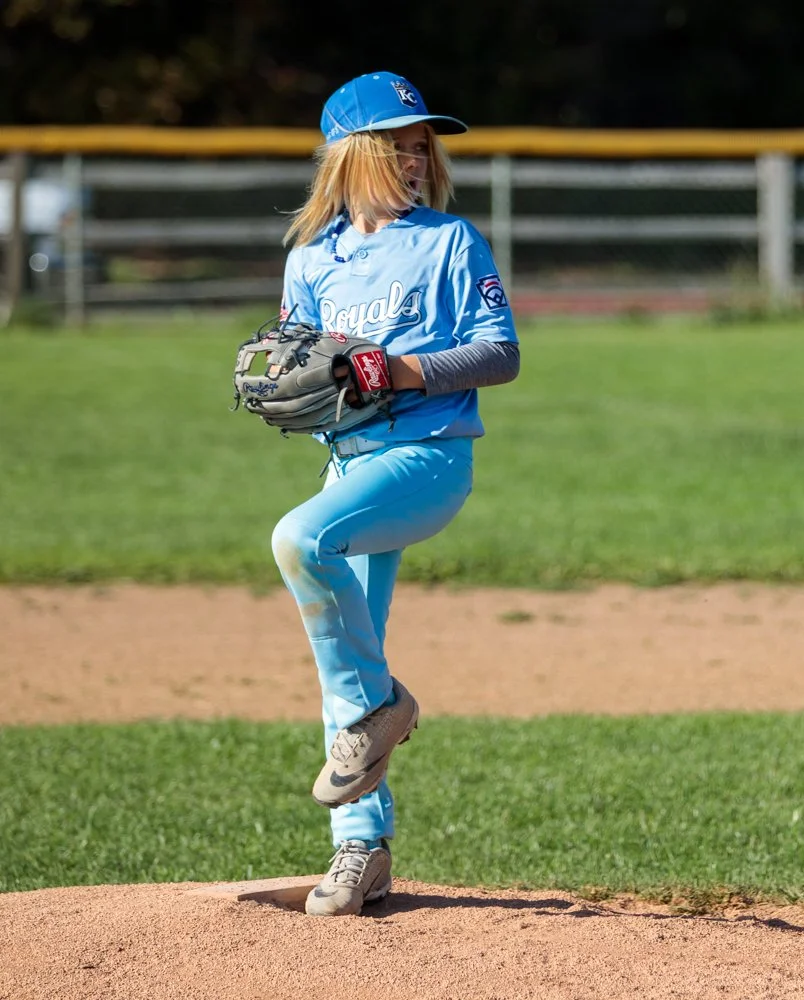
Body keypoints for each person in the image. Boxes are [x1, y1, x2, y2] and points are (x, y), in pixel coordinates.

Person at [271, 71, 519, 917]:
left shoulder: (450, 241)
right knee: (345, 650)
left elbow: (500, 352)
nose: (417, 158)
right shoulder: (312, 259)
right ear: (355, 155)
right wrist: (294, 386)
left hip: (428, 456)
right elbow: (304, 368)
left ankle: (387, 706)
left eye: (423, 146)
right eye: (400, 145)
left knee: (299, 540)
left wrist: (397, 370)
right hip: (348, 466)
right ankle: (362, 849)